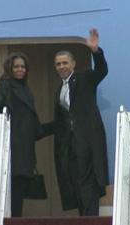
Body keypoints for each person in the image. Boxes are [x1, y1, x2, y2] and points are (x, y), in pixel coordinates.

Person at [51, 28, 109, 216]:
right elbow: (61, 120)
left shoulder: (84, 78)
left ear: (73, 64)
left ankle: (89, 218)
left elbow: (101, 70)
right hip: (70, 145)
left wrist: (96, 52)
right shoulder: (60, 88)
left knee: (87, 183)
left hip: (87, 141)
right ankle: (84, 217)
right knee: (75, 182)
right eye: (58, 64)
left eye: (65, 63)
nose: (61, 67)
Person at [0, 52, 49, 217]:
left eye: (23, 67)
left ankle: (15, 217)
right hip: (15, 144)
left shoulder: (25, 89)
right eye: (16, 66)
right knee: (16, 185)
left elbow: (32, 124)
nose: (20, 69)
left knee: (20, 186)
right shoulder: (6, 85)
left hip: (25, 145)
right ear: (10, 68)